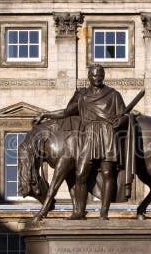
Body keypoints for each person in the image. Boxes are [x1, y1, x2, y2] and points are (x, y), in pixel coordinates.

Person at [33, 64, 128, 219]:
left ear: (103, 76)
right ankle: (79, 211)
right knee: (81, 174)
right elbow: (65, 112)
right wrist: (45, 114)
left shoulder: (113, 95)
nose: (97, 77)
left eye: (100, 75)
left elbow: (124, 115)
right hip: (89, 135)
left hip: (107, 134)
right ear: (89, 77)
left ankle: (103, 212)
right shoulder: (83, 96)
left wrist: (121, 121)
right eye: (94, 75)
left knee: (107, 173)